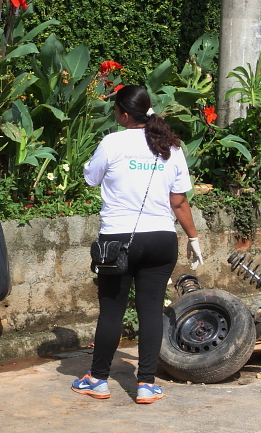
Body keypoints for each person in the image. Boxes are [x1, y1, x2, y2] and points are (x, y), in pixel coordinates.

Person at [72, 85, 204, 404]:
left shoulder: (112, 142)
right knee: (150, 311)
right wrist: (193, 237)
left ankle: (98, 380)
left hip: (118, 239)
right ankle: (146, 384)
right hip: (161, 239)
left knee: (112, 312)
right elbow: (179, 201)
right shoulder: (170, 146)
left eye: (115, 110)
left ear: (124, 114)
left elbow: (90, 178)